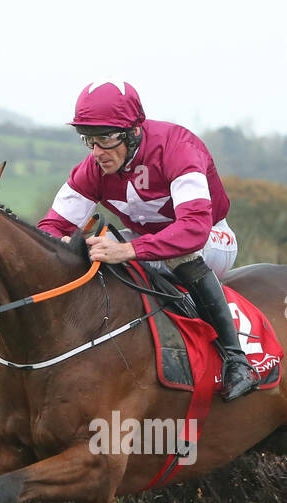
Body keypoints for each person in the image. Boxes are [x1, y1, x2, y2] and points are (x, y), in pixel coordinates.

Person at [37, 80, 257, 401]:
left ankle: (237, 361)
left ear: (133, 131)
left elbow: (193, 229)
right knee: (92, 250)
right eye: (89, 140)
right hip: (150, 241)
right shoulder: (93, 168)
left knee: (174, 253)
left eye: (105, 139)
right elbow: (51, 228)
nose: (97, 152)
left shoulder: (178, 148)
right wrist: (62, 248)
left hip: (210, 238)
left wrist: (128, 250)